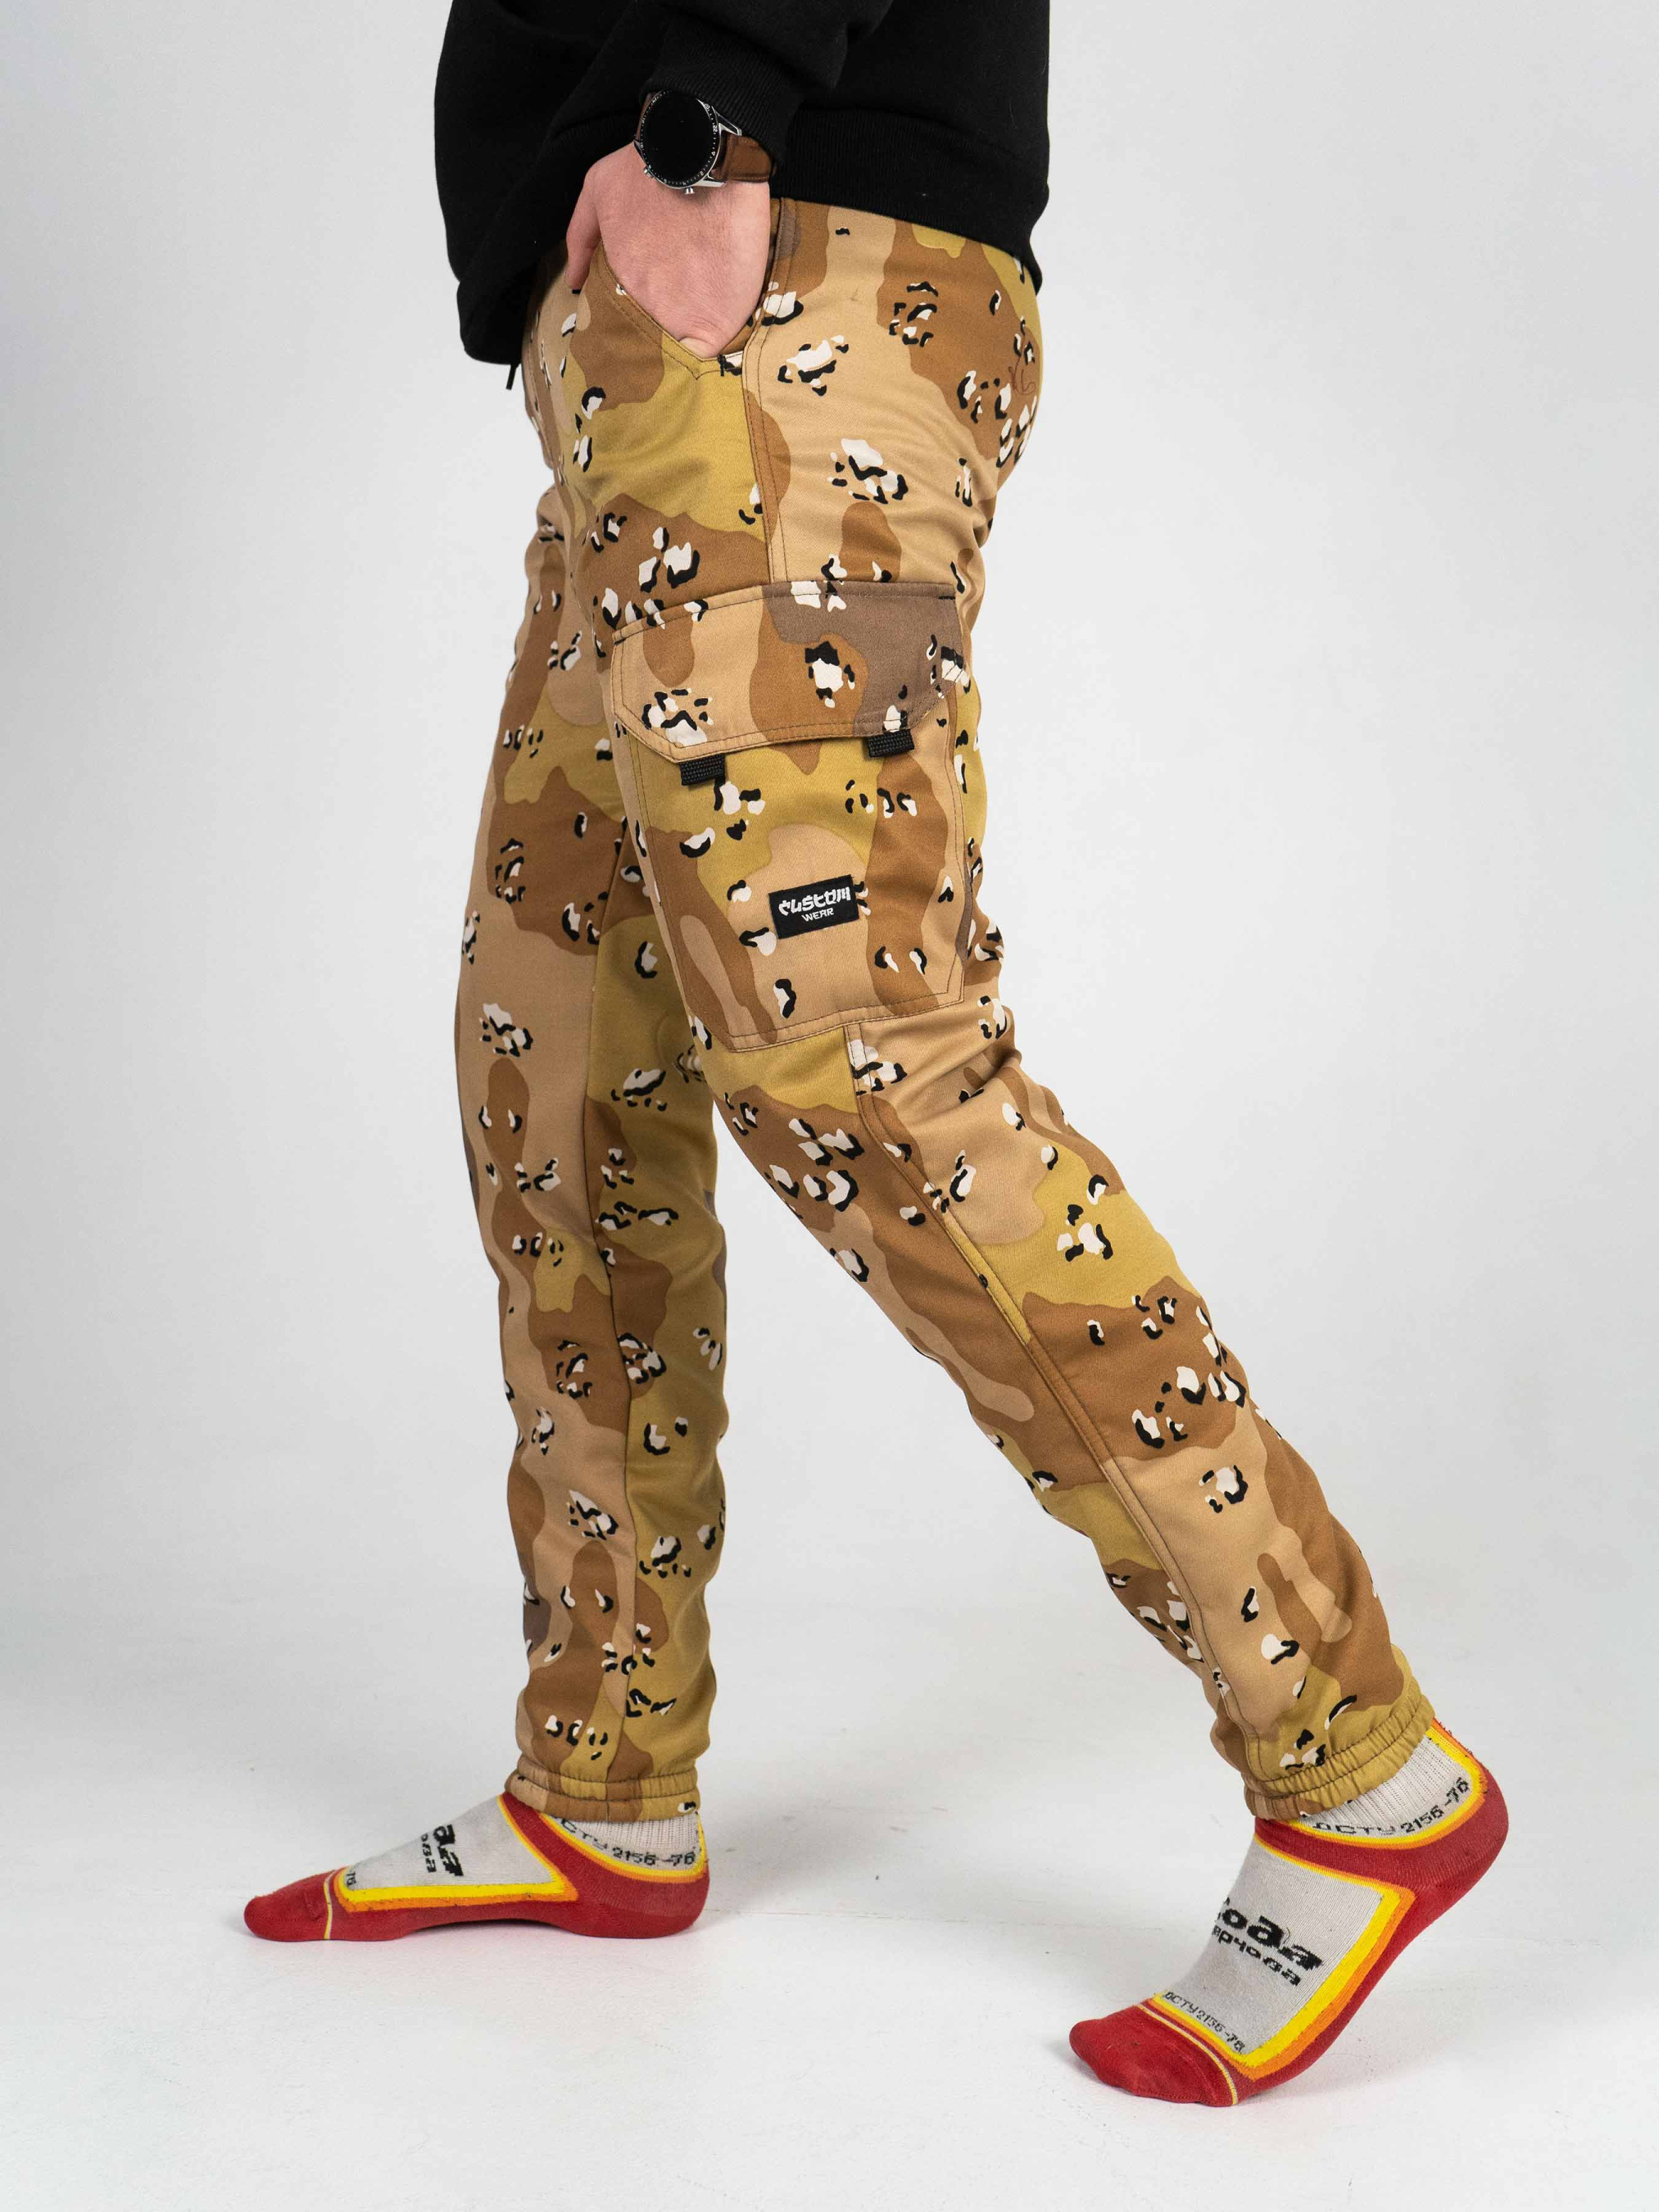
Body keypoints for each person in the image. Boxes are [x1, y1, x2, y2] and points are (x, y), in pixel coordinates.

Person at [244, 0, 1505, 2106]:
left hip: (781, 256)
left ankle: (1352, 1760)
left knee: (860, 1069)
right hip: (645, 328)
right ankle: (606, 1780)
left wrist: (703, 114)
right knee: (555, 1065)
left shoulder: (727, 155)